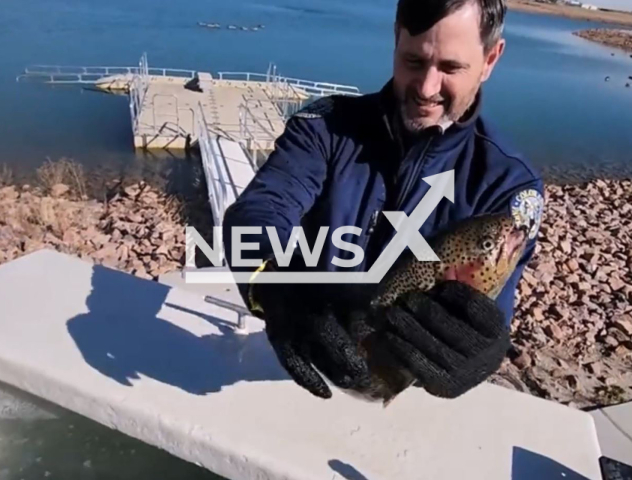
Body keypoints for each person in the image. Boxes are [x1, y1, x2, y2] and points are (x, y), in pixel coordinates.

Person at [222, 0, 544, 401]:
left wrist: (480, 354)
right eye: (414, 60)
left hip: (400, 390)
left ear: (490, 58)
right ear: (395, 39)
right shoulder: (325, 128)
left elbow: (490, 310)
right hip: (297, 355)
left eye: (450, 68)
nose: (426, 89)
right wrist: (272, 285)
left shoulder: (508, 184)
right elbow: (257, 212)